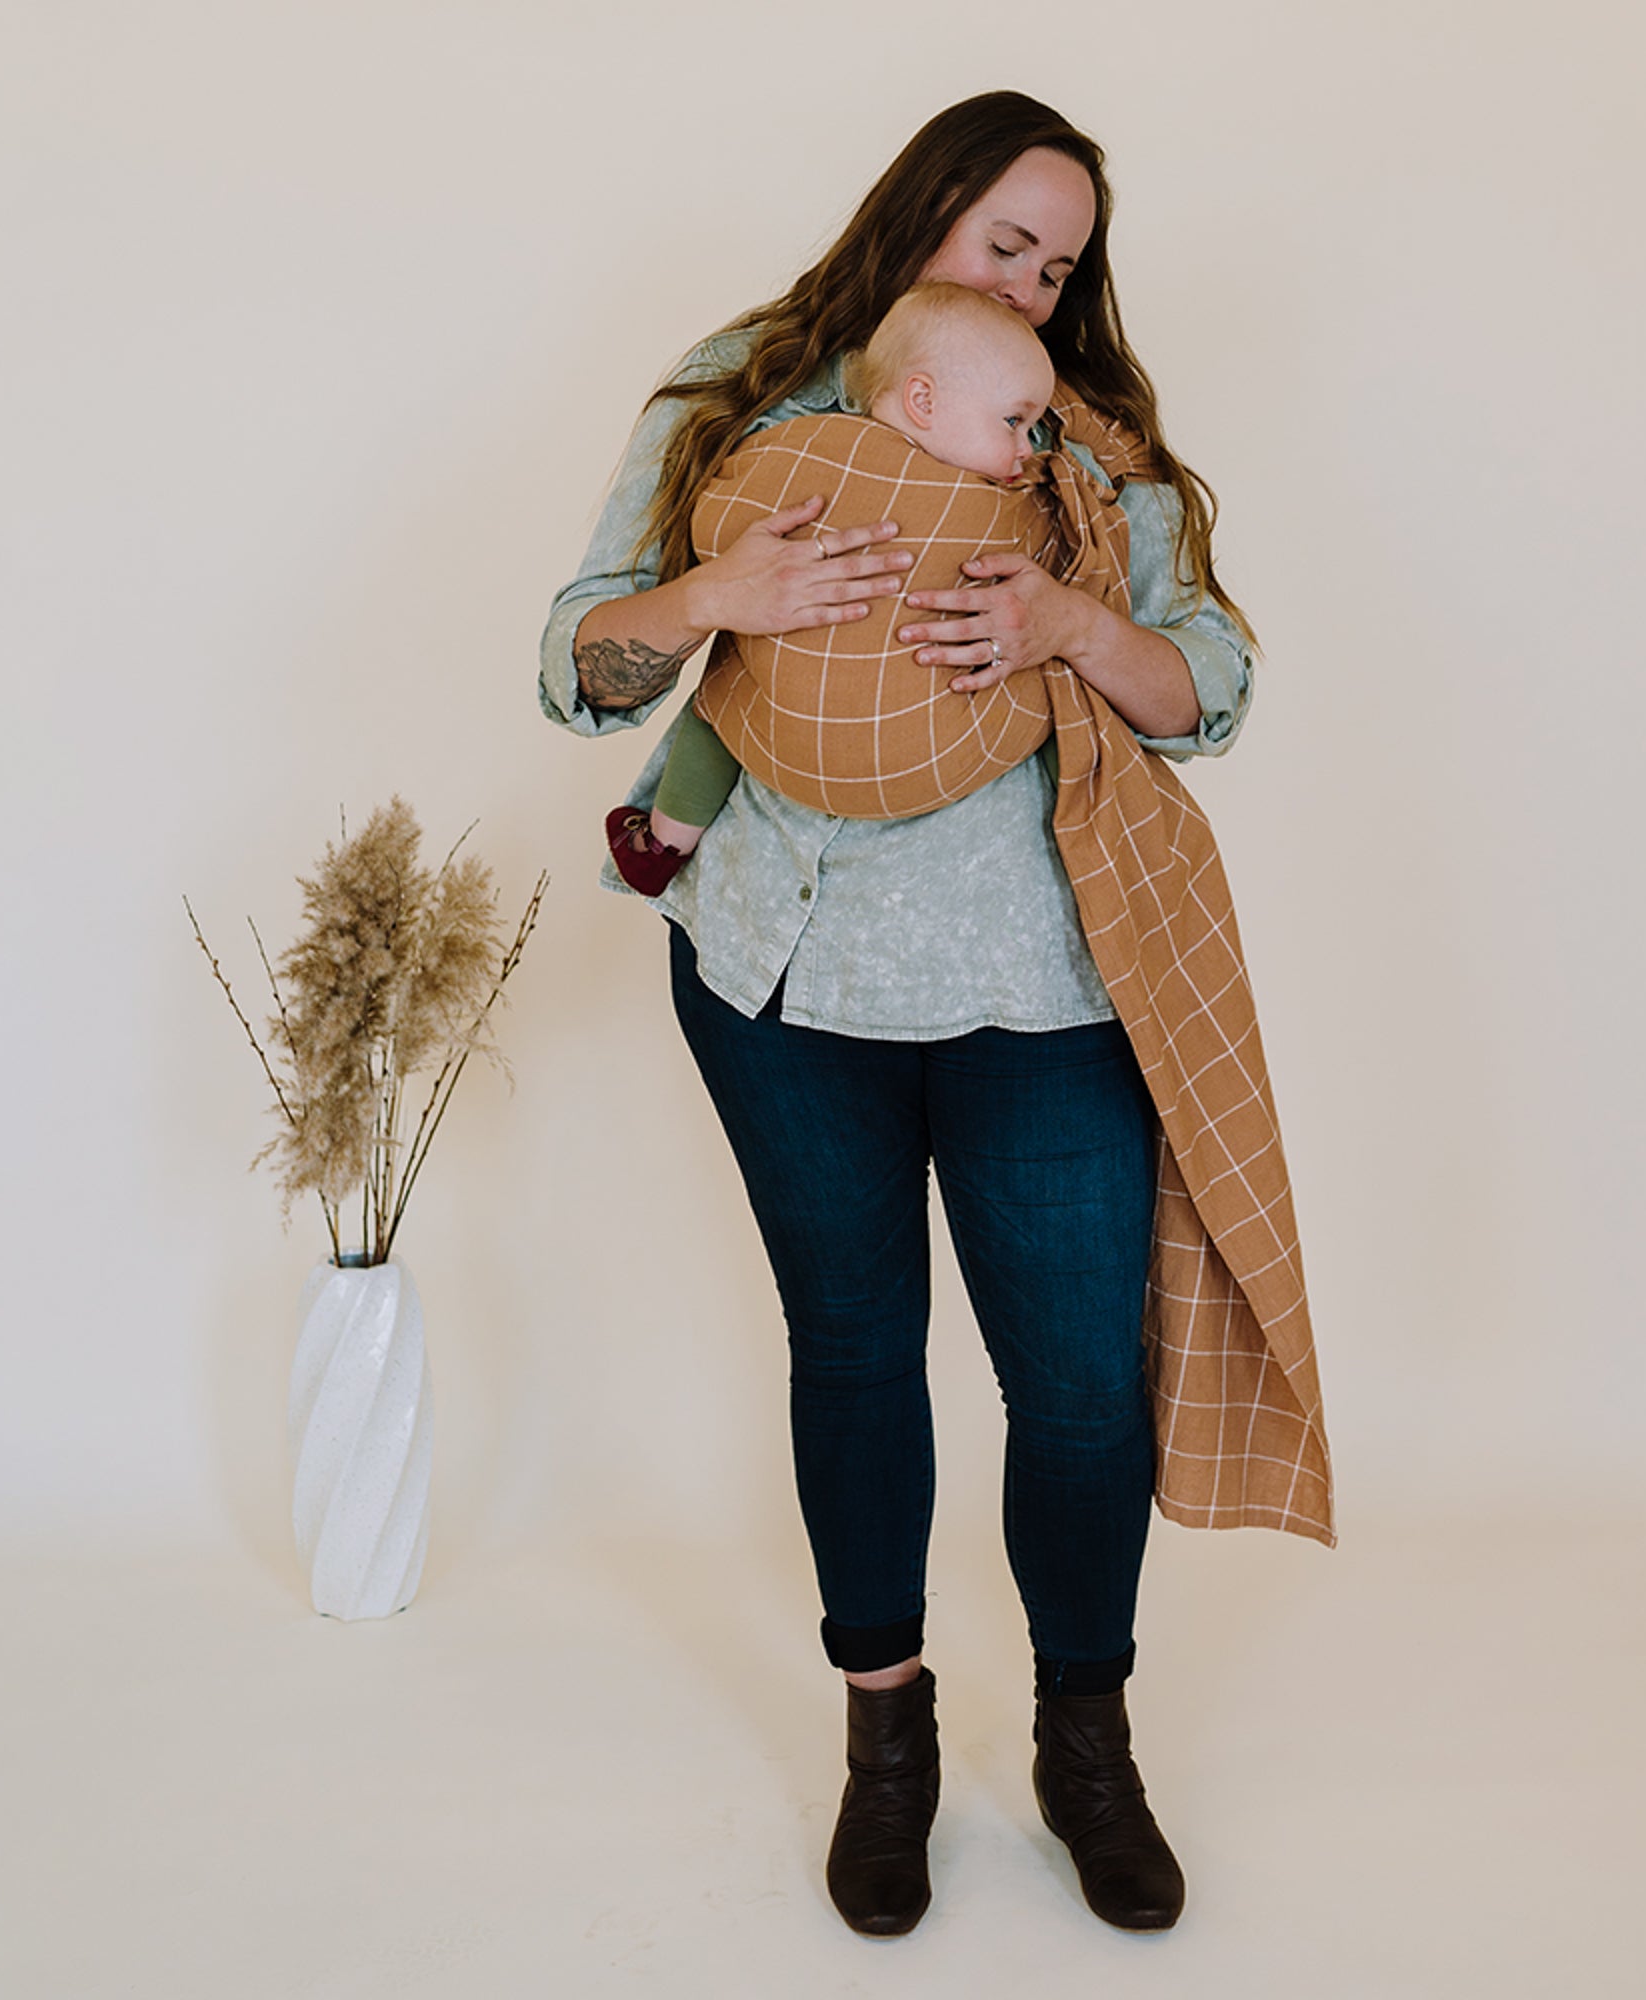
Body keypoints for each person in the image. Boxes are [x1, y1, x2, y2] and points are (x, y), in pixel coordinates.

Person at [539, 91, 1331, 1939]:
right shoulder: (737, 395)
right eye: (1008, 245)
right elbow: (583, 660)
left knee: (1072, 1386)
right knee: (853, 1350)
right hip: (779, 979)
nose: (1038, 291)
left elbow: (1207, 688)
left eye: (1062, 268)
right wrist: (720, 591)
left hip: (1039, 987)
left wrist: (1065, 624)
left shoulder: (1073, 446)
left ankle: (1086, 1738)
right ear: (923, 209)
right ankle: (884, 1738)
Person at [605, 280, 1058, 894]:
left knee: (722, 698)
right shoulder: (1013, 509)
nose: (1027, 450)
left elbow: (716, 517)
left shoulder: (789, 449)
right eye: (1014, 422)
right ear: (922, 400)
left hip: (785, 739)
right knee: (1059, 697)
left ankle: (664, 840)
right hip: (924, 769)